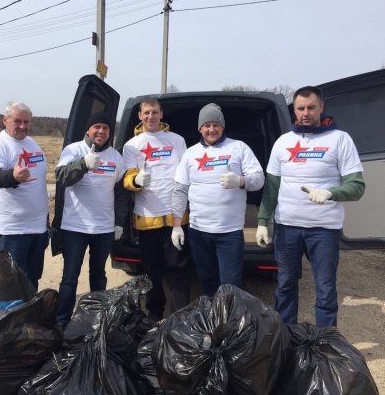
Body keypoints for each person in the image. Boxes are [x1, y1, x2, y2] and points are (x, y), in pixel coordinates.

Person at [255, 86, 365, 327]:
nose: (306, 113)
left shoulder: (340, 139)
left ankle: (325, 340)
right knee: (285, 285)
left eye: (311, 107)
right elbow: (272, 187)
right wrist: (262, 221)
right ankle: (286, 336)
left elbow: (357, 187)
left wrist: (330, 193)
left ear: (321, 107)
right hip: (287, 227)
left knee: (325, 288)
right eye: (301, 108)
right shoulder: (283, 142)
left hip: (324, 229)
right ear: (294, 110)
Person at [171, 103, 264, 297]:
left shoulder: (238, 148)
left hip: (229, 231)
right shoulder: (191, 153)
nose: (211, 129)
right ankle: (212, 315)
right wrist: (177, 226)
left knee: (230, 285)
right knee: (208, 281)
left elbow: (259, 179)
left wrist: (241, 181)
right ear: (200, 128)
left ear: (222, 126)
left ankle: (228, 316)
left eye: (216, 125)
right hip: (199, 231)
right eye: (207, 125)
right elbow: (180, 190)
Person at [121, 98, 193, 325]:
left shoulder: (177, 140)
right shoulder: (132, 145)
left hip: (175, 216)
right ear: (140, 116)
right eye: (146, 113)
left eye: (154, 112)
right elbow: (127, 176)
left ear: (161, 114)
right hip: (147, 216)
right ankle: (154, 311)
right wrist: (136, 180)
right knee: (151, 268)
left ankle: (179, 313)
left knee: (178, 267)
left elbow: (186, 173)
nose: (150, 116)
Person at [54, 112, 127, 330]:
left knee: (98, 275)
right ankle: (62, 321)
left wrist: (119, 222)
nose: (101, 131)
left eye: (105, 128)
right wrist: (83, 164)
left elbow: (121, 193)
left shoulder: (116, 157)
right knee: (70, 277)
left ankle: (97, 319)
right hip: (75, 227)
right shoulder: (74, 150)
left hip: (103, 228)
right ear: (88, 130)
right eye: (97, 127)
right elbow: (61, 177)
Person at [0, 101, 49, 290]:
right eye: (17, 121)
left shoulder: (32, 143)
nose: (22, 126)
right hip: (14, 228)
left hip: (38, 225)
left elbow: (39, 185)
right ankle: (17, 310)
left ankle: (31, 308)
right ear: (5, 121)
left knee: (33, 276)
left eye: (26, 122)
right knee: (14, 279)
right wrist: (12, 176)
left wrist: (45, 218)